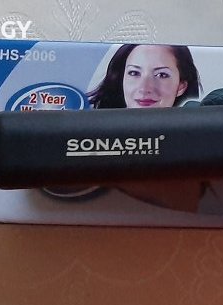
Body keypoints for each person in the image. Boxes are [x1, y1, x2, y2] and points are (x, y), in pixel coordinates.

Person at [45, 44, 206, 211]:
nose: (145, 88)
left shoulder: (194, 146)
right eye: (134, 73)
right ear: (121, 79)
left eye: (161, 75)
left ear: (181, 86)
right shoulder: (85, 131)